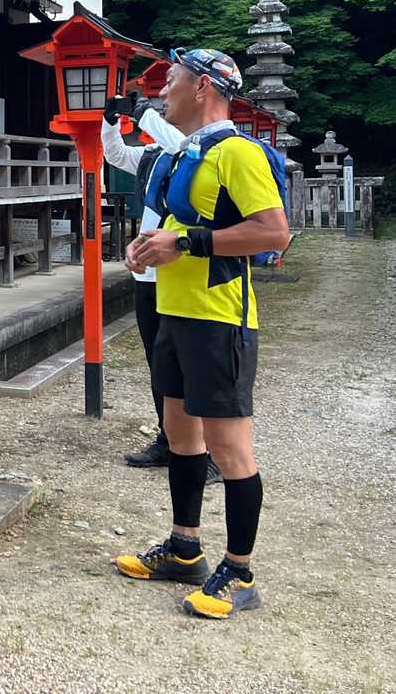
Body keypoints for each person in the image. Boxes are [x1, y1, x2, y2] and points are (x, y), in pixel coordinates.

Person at [115, 49, 290, 620]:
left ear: (202, 89)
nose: (161, 91)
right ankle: (184, 548)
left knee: (229, 447)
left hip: (219, 317)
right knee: (180, 434)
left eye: (171, 80)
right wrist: (147, 245)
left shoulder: (237, 151)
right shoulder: (186, 153)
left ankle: (240, 572)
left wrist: (185, 243)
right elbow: (178, 225)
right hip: (174, 311)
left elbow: (275, 233)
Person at [102, 95, 220, 485]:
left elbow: (181, 145)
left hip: (186, 273)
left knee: (194, 367)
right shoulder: (154, 157)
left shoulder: (198, 150)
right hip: (148, 276)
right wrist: (110, 121)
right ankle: (170, 440)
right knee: (161, 366)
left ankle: (210, 452)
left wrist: (146, 116)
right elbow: (116, 155)